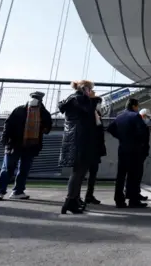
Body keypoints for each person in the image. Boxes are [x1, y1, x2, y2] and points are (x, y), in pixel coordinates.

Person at [0, 91, 52, 201]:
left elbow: (47, 127)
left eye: (37, 98)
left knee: (23, 169)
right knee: (8, 168)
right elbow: (8, 124)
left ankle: (17, 191)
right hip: (15, 144)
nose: (35, 100)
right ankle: (0, 191)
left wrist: (43, 111)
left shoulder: (43, 113)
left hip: (30, 145)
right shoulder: (19, 110)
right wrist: (5, 139)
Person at [58, 80, 98, 214]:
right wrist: (93, 100)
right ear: (85, 89)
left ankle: (73, 199)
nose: (92, 91)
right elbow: (88, 113)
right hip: (80, 139)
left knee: (79, 172)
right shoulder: (79, 99)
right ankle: (70, 200)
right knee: (78, 172)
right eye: (90, 89)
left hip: (75, 139)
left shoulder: (73, 99)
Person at [107, 98, 147, 208]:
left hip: (122, 148)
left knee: (121, 175)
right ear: (134, 106)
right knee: (133, 175)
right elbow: (142, 132)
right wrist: (138, 141)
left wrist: (121, 137)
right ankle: (133, 200)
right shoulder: (135, 116)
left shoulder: (119, 116)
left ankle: (119, 200)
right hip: (134, 150)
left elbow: (110, 128)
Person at [84, 90, 106, 205]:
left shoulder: (96, 114)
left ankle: (89, 195)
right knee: (84, 173)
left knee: (92, 173)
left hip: (94, 149)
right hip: (91, 148)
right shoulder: (91, 114)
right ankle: (81, 196)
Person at [136, 108, 151, 201]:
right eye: (148, 117)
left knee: (137, 174)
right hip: (139, 153)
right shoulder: (140, 125)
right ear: (143, 116)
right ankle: (136, 193)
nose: (149, 119)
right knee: (137, 174)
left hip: (140, 152)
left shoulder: (141, 125)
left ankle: (135, 192)